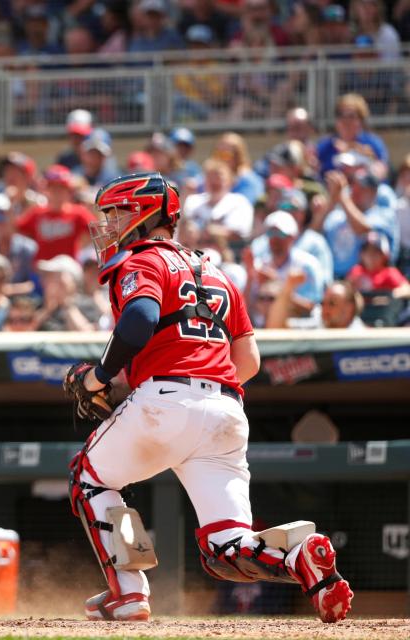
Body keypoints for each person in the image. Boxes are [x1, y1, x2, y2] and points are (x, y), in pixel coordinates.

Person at [63, 172, 352, 623]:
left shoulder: (141, 259)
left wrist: (101, 378)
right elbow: (249, 360)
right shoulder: (214, 269)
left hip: (166, 401)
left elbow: (139, 319)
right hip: (226, 411)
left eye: (116, 213)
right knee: (226, 547)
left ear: (143, 213)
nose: (109, 223)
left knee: (90, 477)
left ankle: (130, 592)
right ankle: (297, 558)